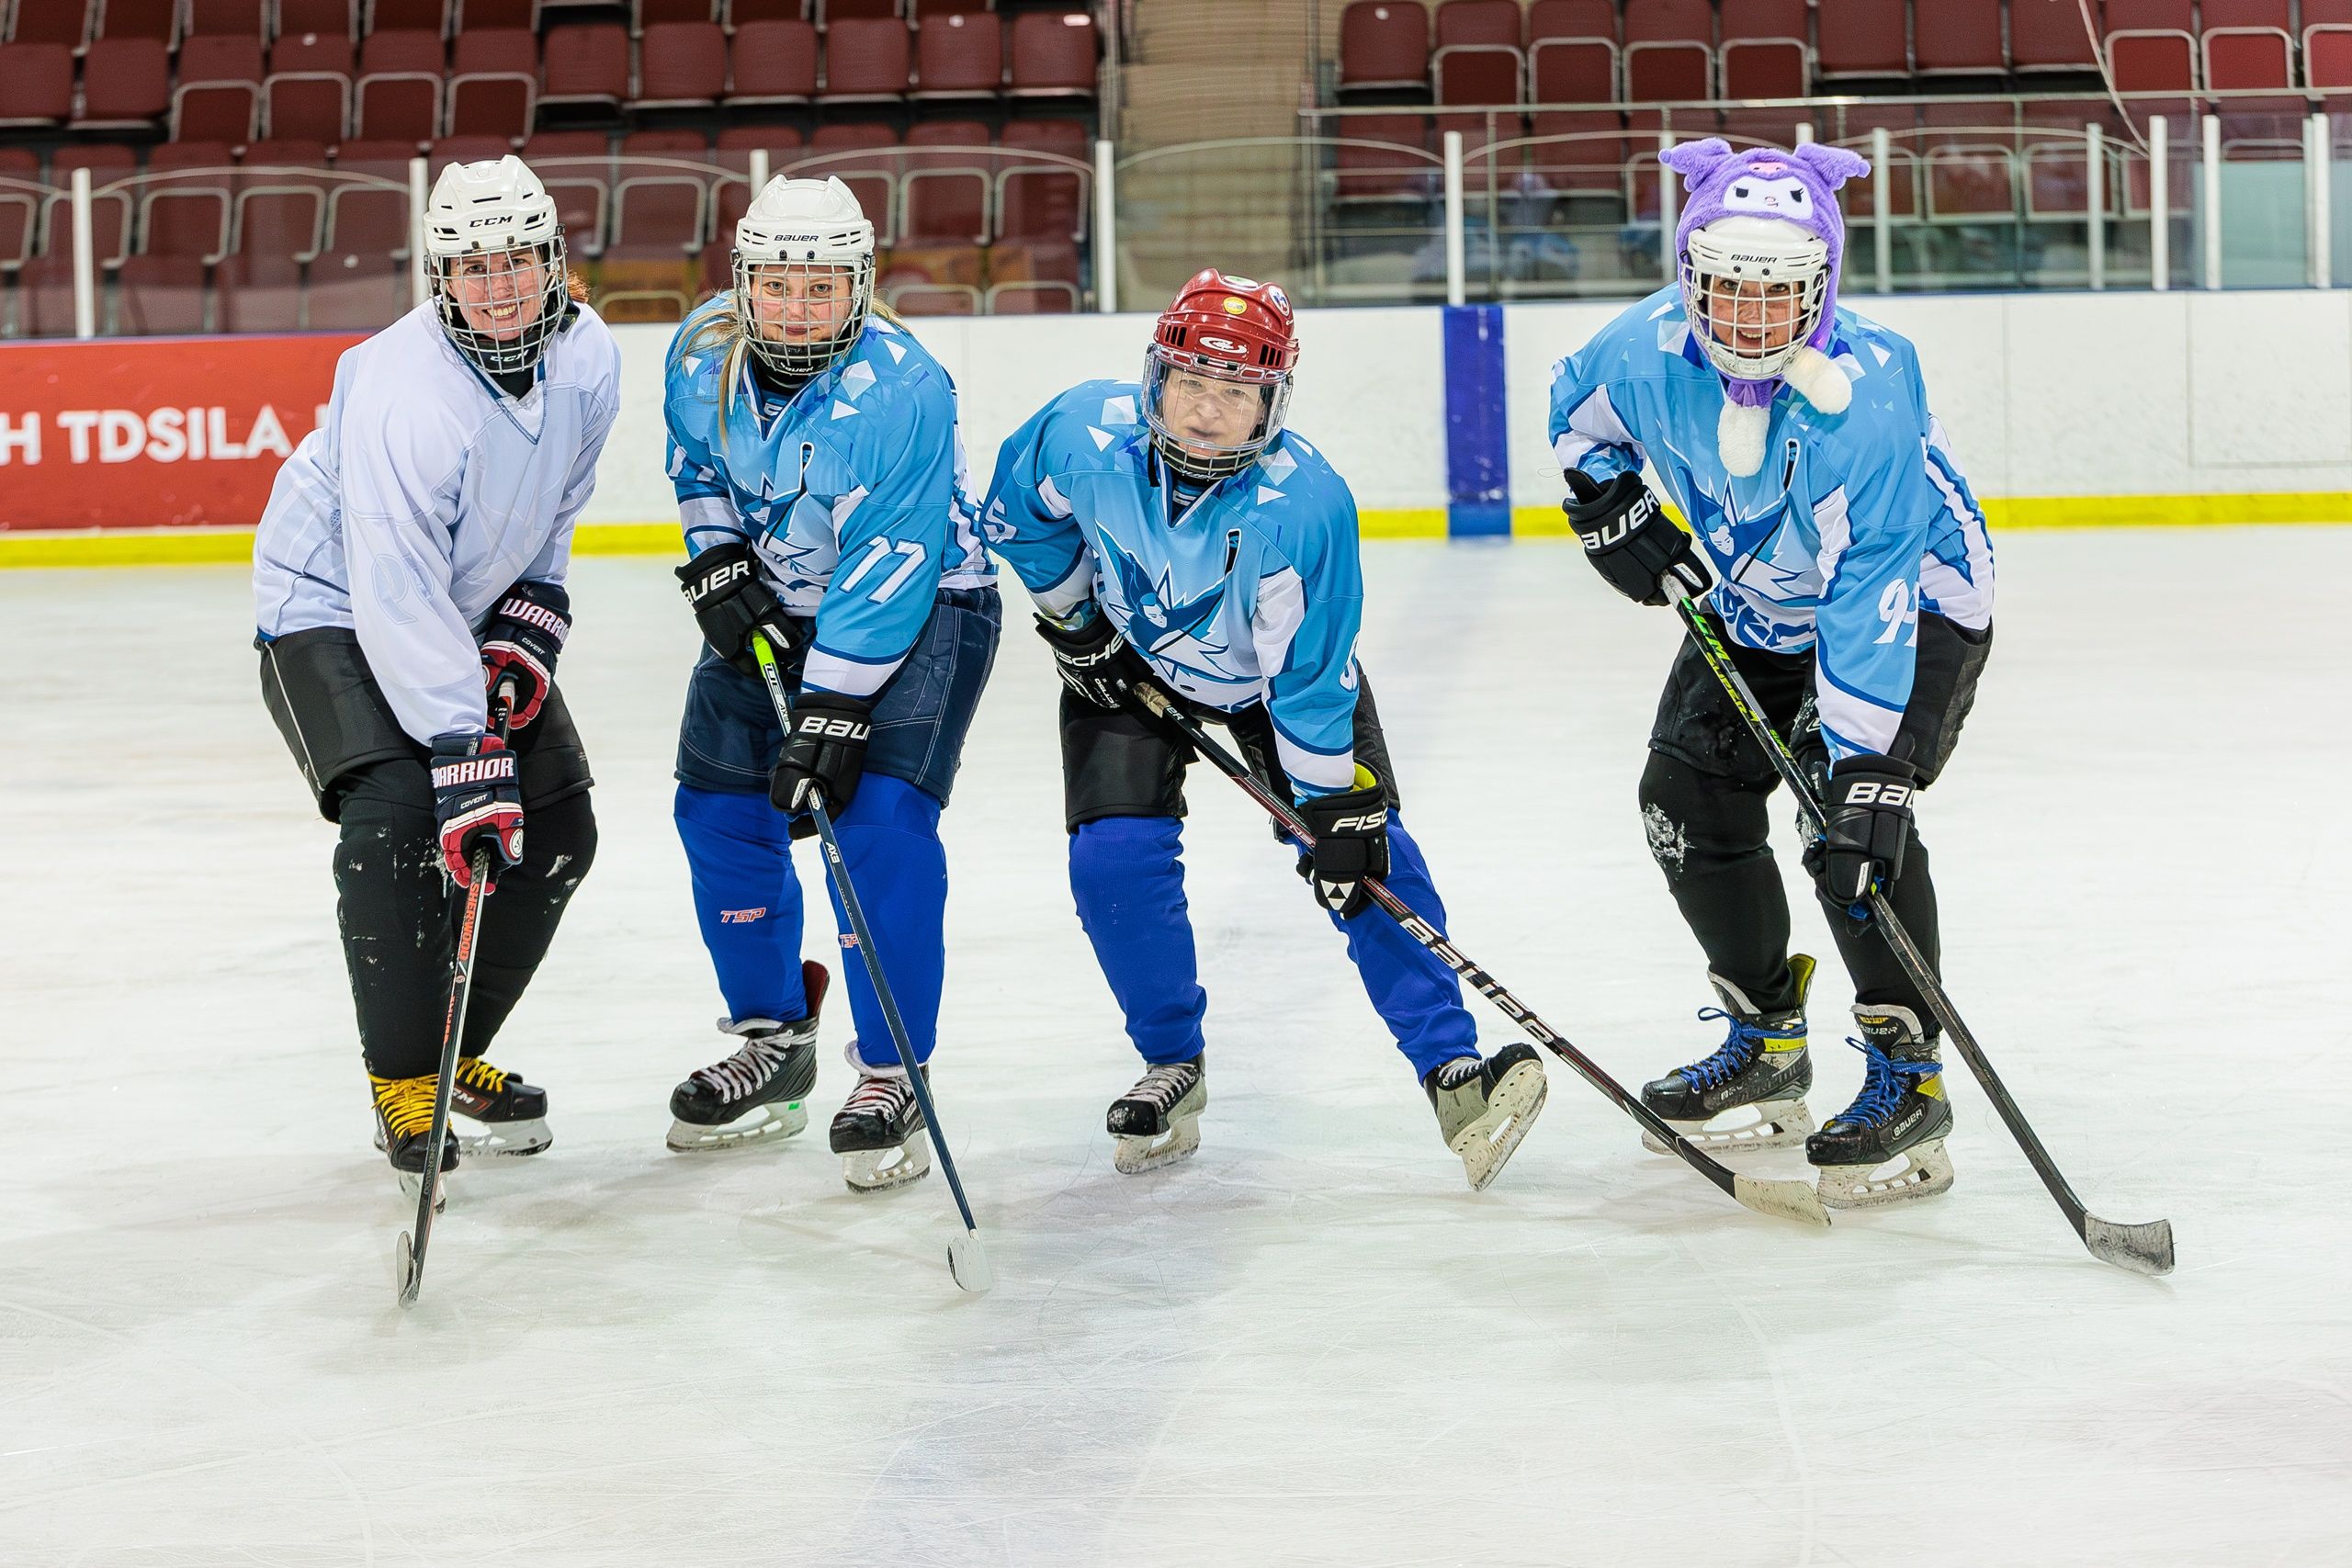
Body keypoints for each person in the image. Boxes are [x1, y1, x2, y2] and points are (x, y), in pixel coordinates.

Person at [981, 269, 1548, 1190]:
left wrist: (1331, 808)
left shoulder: (1305, 505)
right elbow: (1018, 515)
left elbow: (1308, 678)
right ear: (1154, 378)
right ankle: (1172, 1064)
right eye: (1190, 383)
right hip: (1124, 669)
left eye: (1234, 392)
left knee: (1366, 865)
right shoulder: (1081, 433)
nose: (1206, 411)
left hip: (1276, 695)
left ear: (1270, 402)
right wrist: (1075, 623)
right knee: (1111, 865)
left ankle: (1455, 1076)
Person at [1547, 140, 1996, 1208]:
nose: (1750, 320)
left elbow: (1868, 590)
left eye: (1780, 295)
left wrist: (1868, 770)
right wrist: (1603, 506)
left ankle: (1908, 1073)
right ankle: (1766, 1043)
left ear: (1824, 283)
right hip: (1756, 601)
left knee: (1845, 831)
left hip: (1912, 604)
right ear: (1687, 277)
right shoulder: (1638, 348)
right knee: (1683, 799)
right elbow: (1577, 414)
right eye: (1725, 293)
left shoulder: (1866, 394)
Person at [253, 155, 621, 1197]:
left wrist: (526, 622)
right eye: (472, 266)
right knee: (401, 811)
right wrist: (463, 745)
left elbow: (555, 503)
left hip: (448, 610)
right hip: (328, 605)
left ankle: (451, 1048)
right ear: (437, 273)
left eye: (517, 261)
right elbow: (392, 587)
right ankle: (403, 1079)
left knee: (556, 824)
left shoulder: (588, 356)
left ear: (553, 261)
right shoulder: (401, 390)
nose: (498, 285)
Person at [660, 175, 1000, 1192]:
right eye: (775, 285)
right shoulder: (701, 349)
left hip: (924, 606)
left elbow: (892, 563)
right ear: (742, 281)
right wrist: (716, 556)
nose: (796, 307)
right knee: (715, 810)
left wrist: (834, 710)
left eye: (820, 286)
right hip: (779, 599)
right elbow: (695, 464)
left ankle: (895, 1069)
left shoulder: (903, 387)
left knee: (875, 823)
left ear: (858, 284)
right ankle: (774, 1039)